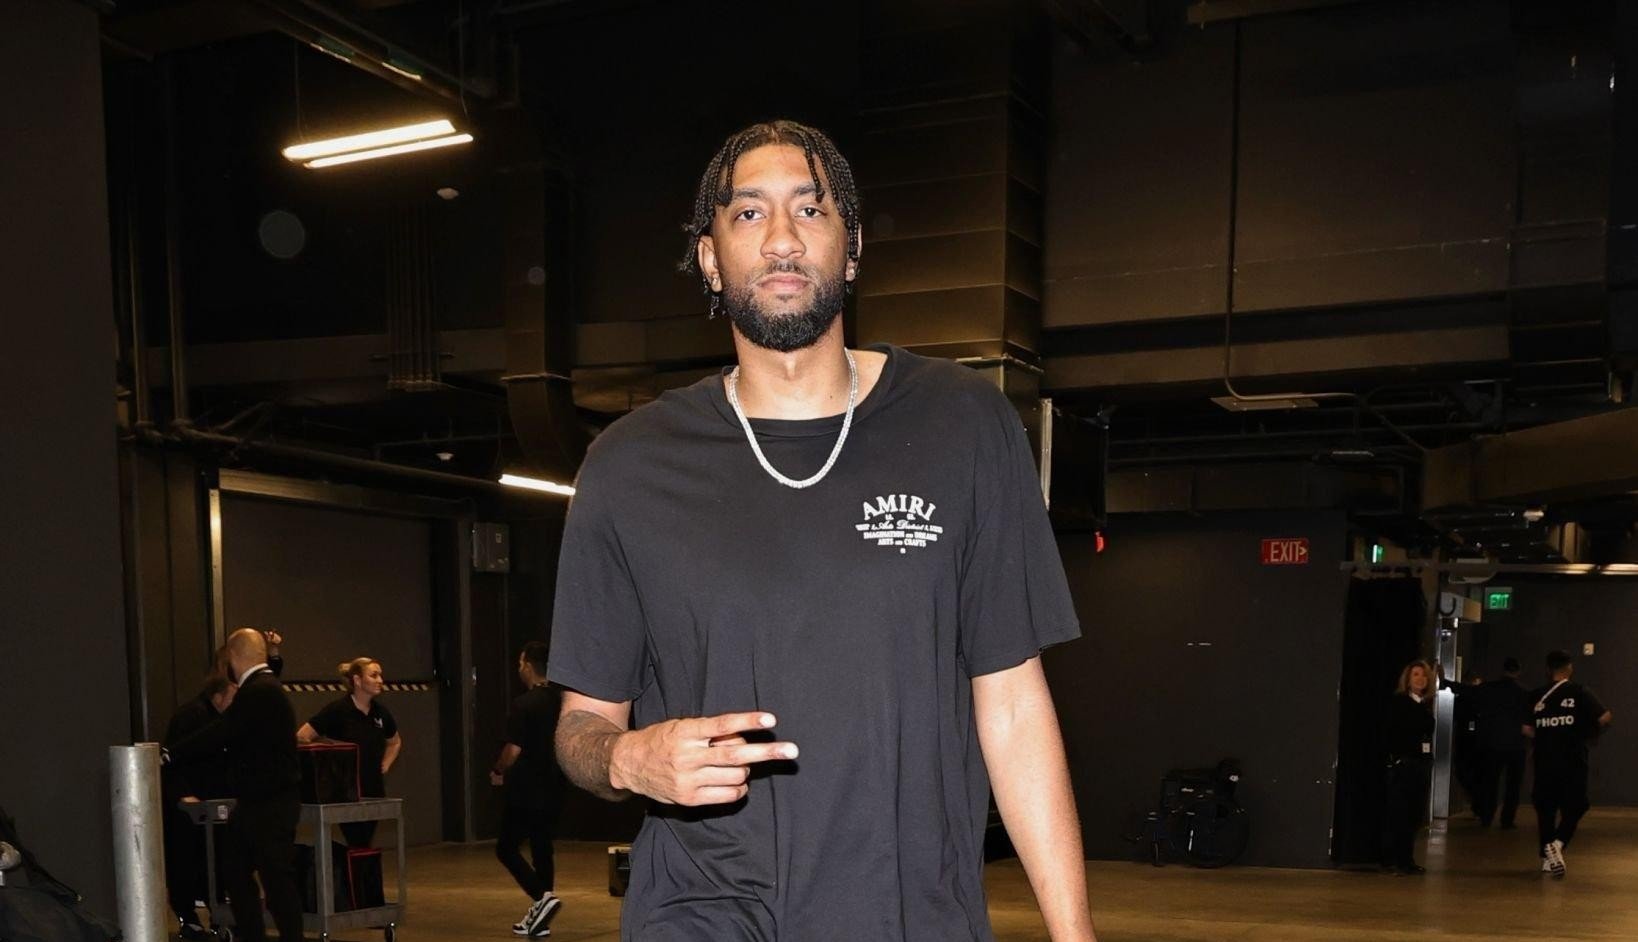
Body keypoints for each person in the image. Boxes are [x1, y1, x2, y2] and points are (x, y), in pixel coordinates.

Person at [548, 120, 1096, 941]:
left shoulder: (963, 425)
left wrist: (1074, 933)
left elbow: (1013, 703)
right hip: (704, 912)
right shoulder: (628, 465)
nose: (782, 238)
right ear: (709, 258)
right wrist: (628, 759)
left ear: (853, 248)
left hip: (913, 914)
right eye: (748, 213)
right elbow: (581, 723)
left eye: (811, 209)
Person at [166, 628, 302, 942]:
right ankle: (255, 934)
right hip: (260, 802)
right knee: (240, 870)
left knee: (273, 879)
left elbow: (221, 731)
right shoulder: (266, 687)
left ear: (233, 657)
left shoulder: (258, 691)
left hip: (268, 804)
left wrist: (170, 753)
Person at [490, 641, 565, 939]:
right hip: (555, 787)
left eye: (520, 663)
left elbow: (513, 750)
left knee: (506, 848)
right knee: (542, 848)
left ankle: (541, 897)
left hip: (526, 789)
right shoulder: (562, 702)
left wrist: (498, 770)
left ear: (530, 667)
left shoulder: (524, 704)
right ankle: (541, 919)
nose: (519, 668)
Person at [1525, 650, 1613, 877]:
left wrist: (1546, 736)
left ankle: (1547, 858)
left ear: (1548, 670)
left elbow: (1526, 729)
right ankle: (1558, 843)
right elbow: (1605, 717)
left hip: (1544, 760)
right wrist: (1585, 733)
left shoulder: (1536, 695)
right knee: (1577, 805)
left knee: (1545, 809)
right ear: (1570, 668)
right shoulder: (1580, 692)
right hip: (1573, 760)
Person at [162, 673, 236, 940]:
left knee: (213, 863)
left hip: (211, 804)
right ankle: (189, 917)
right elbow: (172, 761)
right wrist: (183, 795)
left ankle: (217, 917)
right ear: (218, 696)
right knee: (187, 861)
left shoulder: (219, 720)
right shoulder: (190, 717)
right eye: (232, 698)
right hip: (189, 807)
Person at [298, 657, 401, 846]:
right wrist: (328, 758)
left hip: (373, 789)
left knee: (364, 842)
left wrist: (385, 764)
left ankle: (361, 865)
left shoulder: (381, 713)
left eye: (380, 675)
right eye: (374, 675)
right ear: (357, 680)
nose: (380, 680)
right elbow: (302, 736)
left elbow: (394, 742)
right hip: (347, 792)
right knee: (357, 840)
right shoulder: (337, 710)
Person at [1382, 659, 1435, 875]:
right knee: (1401, 814)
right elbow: (1393, 733)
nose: (1420, 679)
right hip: (1405, 765)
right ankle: (1396, 860)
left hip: (1419, 765)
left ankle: (1406, 859)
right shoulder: (1400, 703)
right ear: (1407, 679)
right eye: (1416, 675)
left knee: (1413, 814)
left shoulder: (1423, 704)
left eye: (1423, 675)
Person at [1472, 657, 1529, 829]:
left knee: (1490, 782)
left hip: (1493, 743)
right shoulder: (1523, 693)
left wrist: (1445, 682)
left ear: (1503, 670)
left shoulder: (1489, 688)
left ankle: (1487, 816)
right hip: (1516, 745)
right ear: (1518, 672)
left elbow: (1468, 691)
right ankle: (1507, 820)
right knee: (1513, 785)